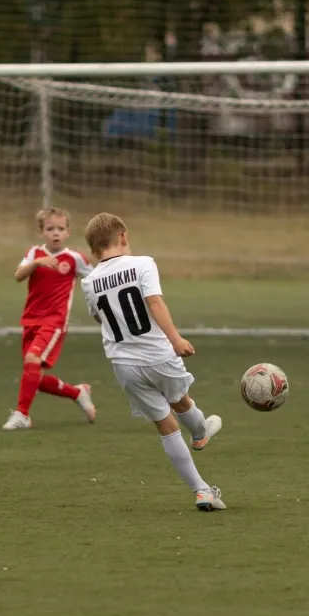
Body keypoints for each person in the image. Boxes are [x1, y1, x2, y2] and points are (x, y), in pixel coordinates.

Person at [81, 212, 225, 512]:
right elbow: (155, 303)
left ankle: (201, 490)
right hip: (158, 353)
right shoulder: (142, 263)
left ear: (93, 251)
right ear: (123, 237)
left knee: (165, 425)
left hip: (123, 363)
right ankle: (199, 433)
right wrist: (176, 340)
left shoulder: (90, 280)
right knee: (181, 401)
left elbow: (100, 317)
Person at [2, 207, 97, 430]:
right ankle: (77, 392)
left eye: (60, 229)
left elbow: (96, 280)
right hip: (30, 320)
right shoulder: (34, 253)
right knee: (34, 374)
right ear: (41, 232)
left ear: (68, 232)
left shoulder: (75, 259)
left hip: (54, 322)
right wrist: (37, 263)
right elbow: (18, 276)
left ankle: (22, 414)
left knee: (32, 361)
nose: (55, 233)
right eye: (50, 228)